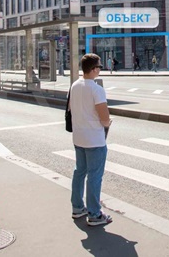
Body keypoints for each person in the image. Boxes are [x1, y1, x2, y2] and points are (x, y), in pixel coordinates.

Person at [69, 53, 113, 226]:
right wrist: (107, 122)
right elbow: (104, 116)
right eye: (99, 67)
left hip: (78, 136)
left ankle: (77, 207)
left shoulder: (75, 85)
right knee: (95, 176)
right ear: (94, 69)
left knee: (79, 172)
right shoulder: (96, 89)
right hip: (94, 138)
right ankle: (94, 214)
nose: (99, 70)